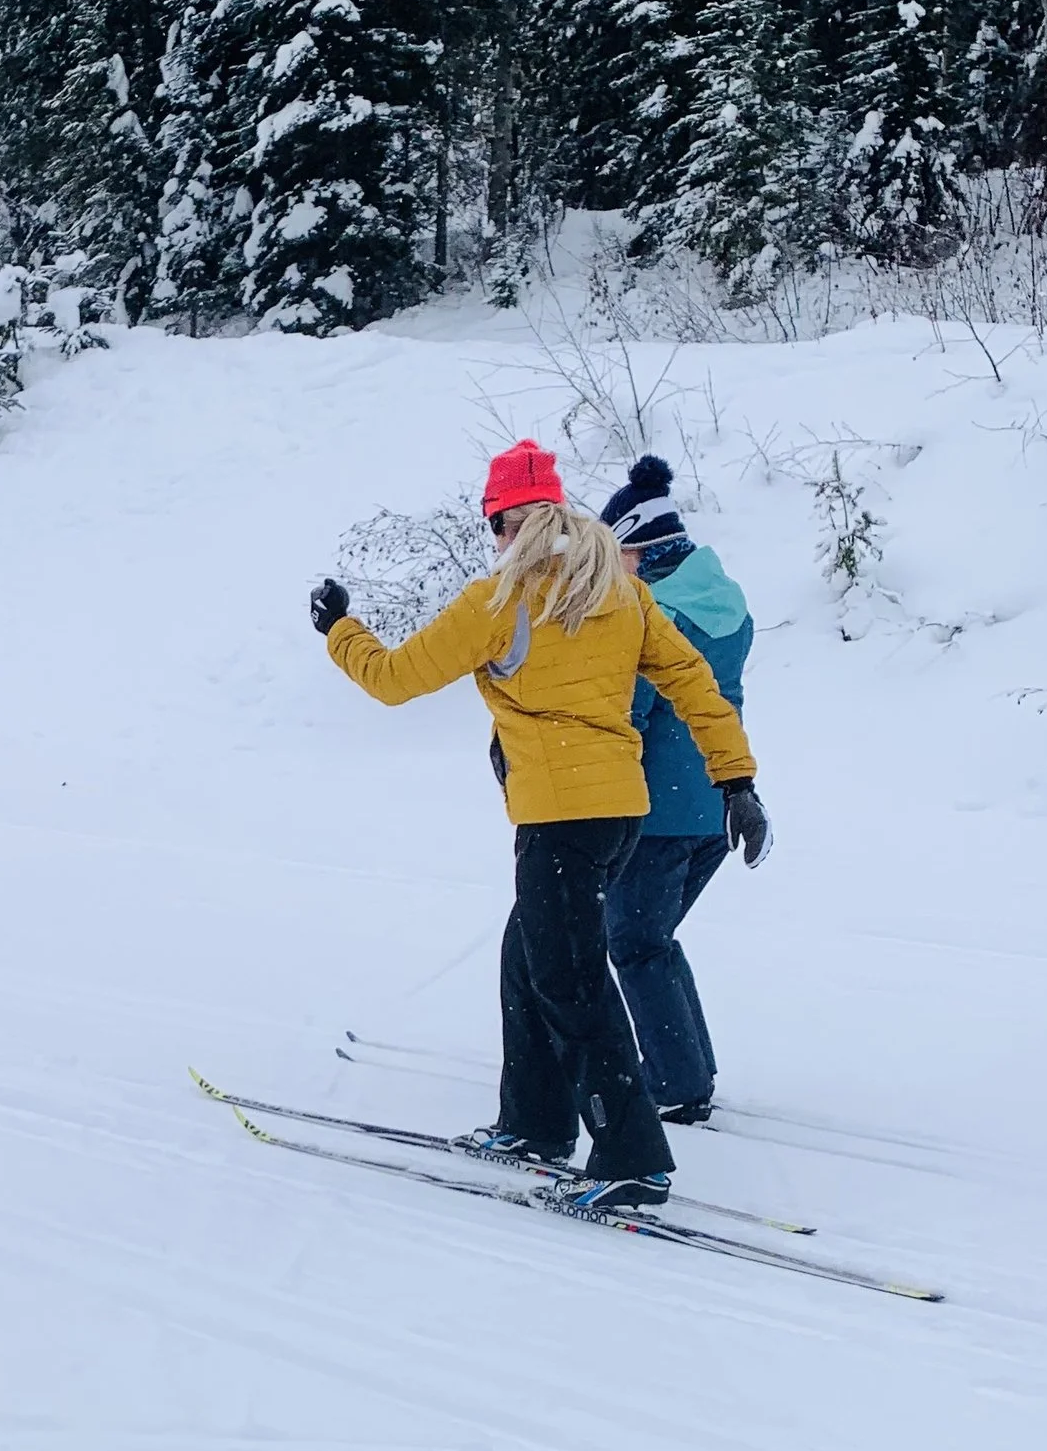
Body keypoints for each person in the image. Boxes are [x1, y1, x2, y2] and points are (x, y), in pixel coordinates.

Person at [310, 438, 769, 1217]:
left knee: (570, 980)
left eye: (494, 525)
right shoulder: (620, 591)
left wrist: (338, 628)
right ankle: (535, 1124)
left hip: (561, 817)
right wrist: (738, 780)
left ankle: (632, 1157)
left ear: (504, 521)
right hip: (618, 813)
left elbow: (392, 679)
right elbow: (694, 682)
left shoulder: (500, 599)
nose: (495, 540)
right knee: (528, 958)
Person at [597, 455, 758, 1125]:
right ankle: (690, 1069)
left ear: (639, 548)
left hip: (657, 812)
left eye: (617, 555)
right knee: (652, 938)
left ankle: (676, 1082)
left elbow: (628, 715)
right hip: (717, 805)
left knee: (635, 943)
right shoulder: (728, 603)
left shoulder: (653, 615)